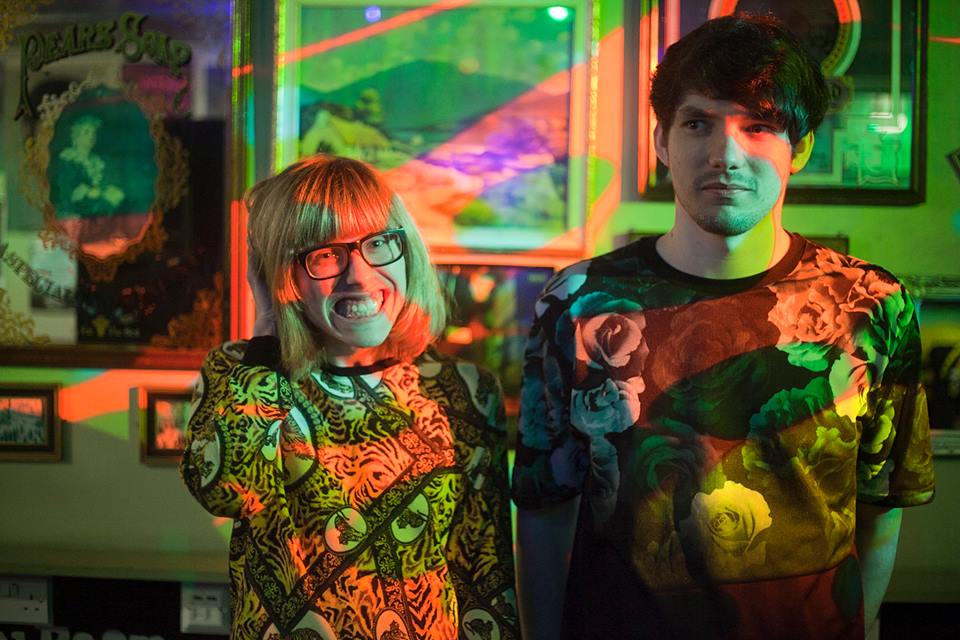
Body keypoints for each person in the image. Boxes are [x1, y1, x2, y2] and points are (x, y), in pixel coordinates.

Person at [511, 14, 935, 640]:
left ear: (801, 146)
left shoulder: (873, 305)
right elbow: (545, 508)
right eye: (698, 123)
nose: (725, 155)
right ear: (662, 140)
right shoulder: (576, 302)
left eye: (758, 125)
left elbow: (880, 506)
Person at [181, 154, 518, 639]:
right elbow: (228, 489)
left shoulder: (466, 389)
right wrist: (268, 331)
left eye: (378, 243)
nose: (360, 276)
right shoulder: (241, 372)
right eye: (324, 254)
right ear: (282, 274)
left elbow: (486, 573)